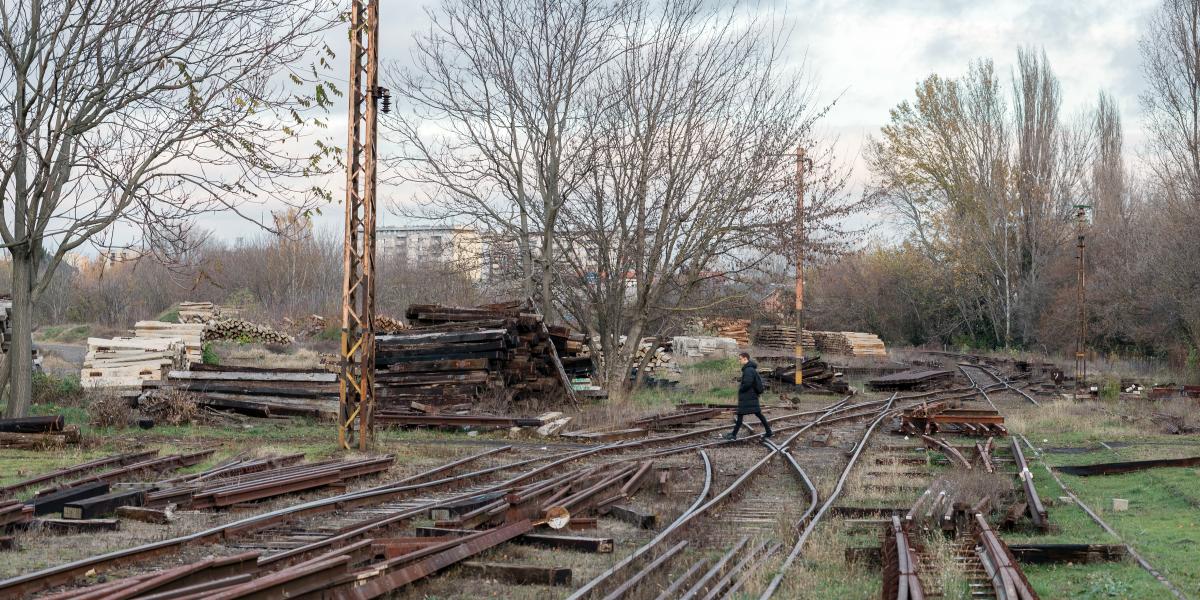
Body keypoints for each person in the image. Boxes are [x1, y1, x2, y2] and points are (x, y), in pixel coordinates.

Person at [724, 352, 773, 440]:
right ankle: (768, 432)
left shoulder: (748, 370)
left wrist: (741, 389)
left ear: (745, 358)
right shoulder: (749, 369)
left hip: (748, 396)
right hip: (750, 396)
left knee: (742, 414)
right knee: (756, 414)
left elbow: (747, 383)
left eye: (740, 359)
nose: (739, 361)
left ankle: (733, 435)